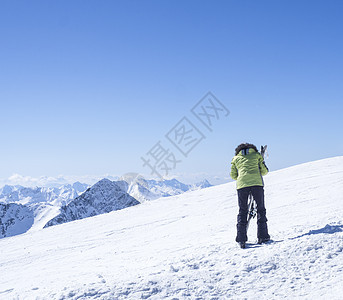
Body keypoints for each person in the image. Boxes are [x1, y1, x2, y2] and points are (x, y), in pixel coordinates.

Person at [230, 143, 270, 248]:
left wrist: (243, 176)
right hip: (257, 184)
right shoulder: (257, 155)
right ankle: (263, 236)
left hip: (242, 185)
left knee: (242, 211)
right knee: (261, 209)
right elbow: (264, 171)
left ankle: (241, 239)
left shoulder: (235, 159)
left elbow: (233, 175)